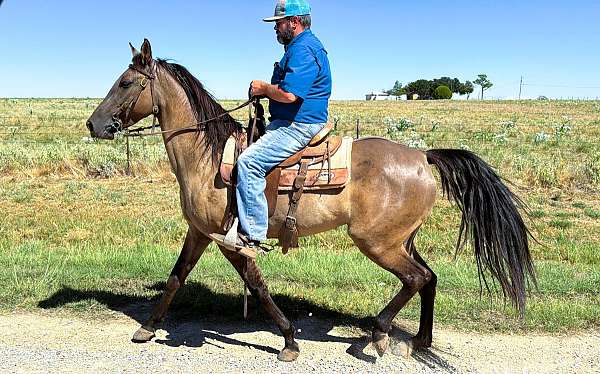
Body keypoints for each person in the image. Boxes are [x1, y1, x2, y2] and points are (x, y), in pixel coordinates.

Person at [234, 0, 332, 256]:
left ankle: (252, 235)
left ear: (294, 22)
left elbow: (289, 95)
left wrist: (264, 89)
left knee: (249, 162)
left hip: (298, 125)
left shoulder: (304, 49)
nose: (275, 28)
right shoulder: (298, 47)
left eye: (278, 23)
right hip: (289, 121)